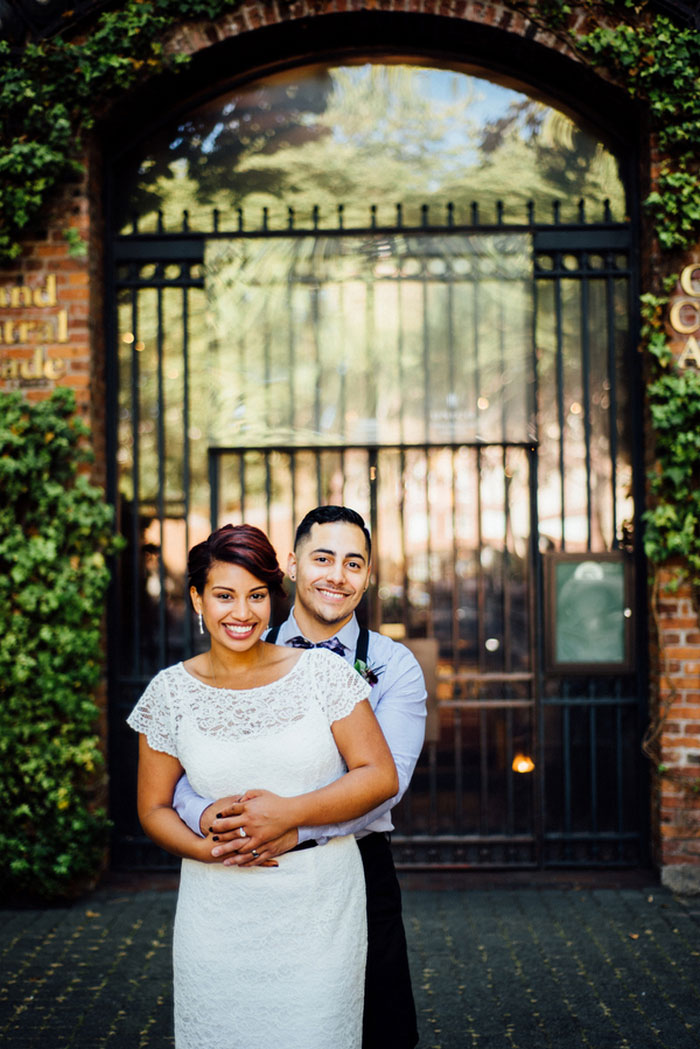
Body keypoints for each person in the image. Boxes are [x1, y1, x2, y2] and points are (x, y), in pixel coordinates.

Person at [127, 523, 398, 1049]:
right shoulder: (169, 693)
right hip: (217, 918)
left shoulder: (323, 674)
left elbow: (379, 775)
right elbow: (154, 807)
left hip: (319, 915)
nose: (242, 613)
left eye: (256, 596)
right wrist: (212, 850)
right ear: (197, 600)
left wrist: (289, 813)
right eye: (224, 596)